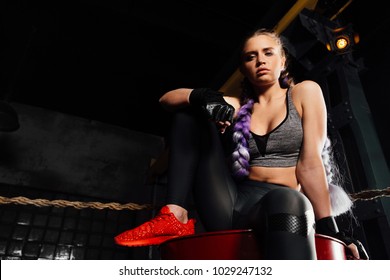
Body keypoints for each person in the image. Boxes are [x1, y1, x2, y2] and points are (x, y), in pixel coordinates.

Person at [115, 28, 368, 260]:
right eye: (251, 57)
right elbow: (165, 99)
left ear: (282, 61)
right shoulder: (237, 106)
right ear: (244, 69)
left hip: (280, 205)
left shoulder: (304, 93)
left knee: (290, 200)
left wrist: (329, 227)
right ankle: (174, 215)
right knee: (189, 111)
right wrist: (204, 97)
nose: (260, 61)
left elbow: (310, 163)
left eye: (268, 53)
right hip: (229, 203)